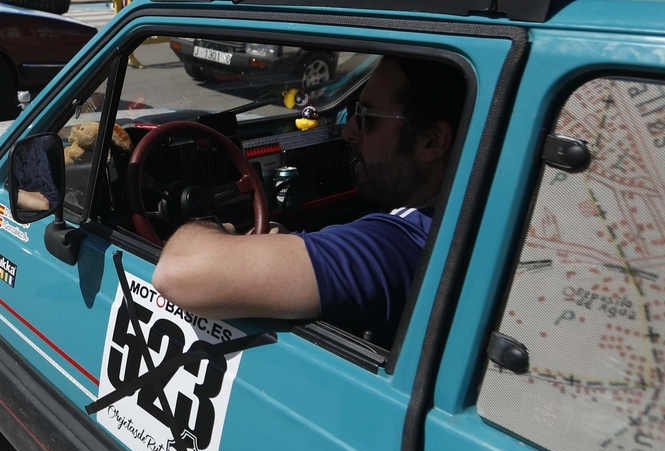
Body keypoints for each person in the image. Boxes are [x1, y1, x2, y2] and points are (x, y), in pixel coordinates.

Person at [152, 57, 465, 347]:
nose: (349, 131)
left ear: (432, 141)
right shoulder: (460, 221)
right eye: (353, 111)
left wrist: (217, 227)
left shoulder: (401, 246)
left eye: (365, 117)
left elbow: (177, 271)